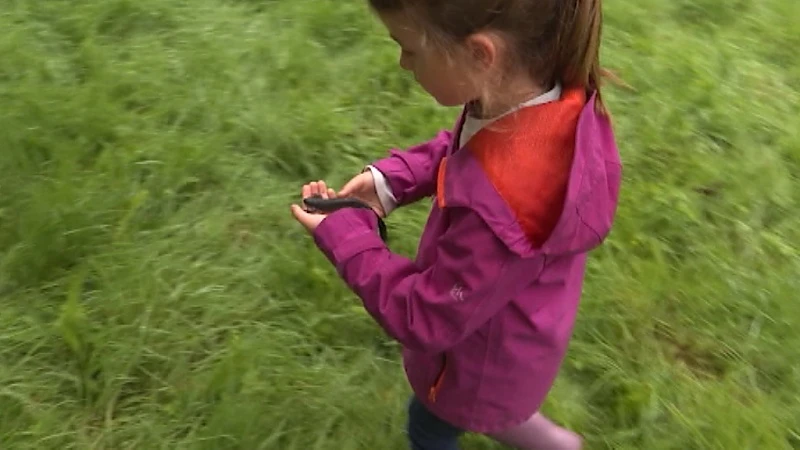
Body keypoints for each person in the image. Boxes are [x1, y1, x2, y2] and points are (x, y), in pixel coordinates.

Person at [290, 0, 622, 448]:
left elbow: (426, 316)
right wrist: (389, 182)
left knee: (433, 424)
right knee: (504, 411)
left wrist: (347, 235)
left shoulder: (506, 203)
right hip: (518, 336)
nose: (402, 63)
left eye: (409, 48)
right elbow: (465, 153)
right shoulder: (540, 98)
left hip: (475, 364)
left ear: (480, 54)